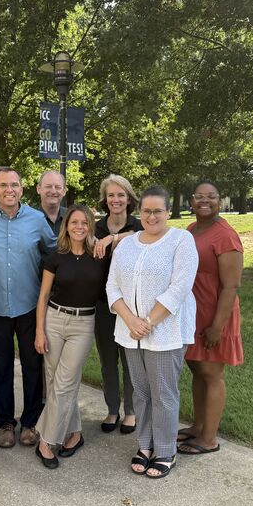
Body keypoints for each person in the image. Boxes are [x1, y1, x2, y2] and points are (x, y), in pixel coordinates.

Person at [106, 186, 198, 479]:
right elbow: (112, 287)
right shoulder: (127, 244)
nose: (152, 216)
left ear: (168, 211)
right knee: (141, 393)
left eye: (158, 210)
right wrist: (131, 320)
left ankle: (166, 450)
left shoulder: (181, 240)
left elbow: (180, 288)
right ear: (139, 212)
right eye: (146, 211)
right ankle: (145, 445)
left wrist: (148, 321)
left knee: (163, 394)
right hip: (130, 332)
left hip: (165, 332)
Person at [0, 167, 57, 449]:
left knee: (32, 365)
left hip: (29, 306)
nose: (10, 190)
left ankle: (30, 421)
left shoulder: (36, 219)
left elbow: (55, 249)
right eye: (3, 185)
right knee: (2, 367)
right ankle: (6, 423)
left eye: (15, 185)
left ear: (22, 189)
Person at [33, 205, 106, 469]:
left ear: (90, 226)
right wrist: (39, 331)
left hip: (83, 324)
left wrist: (111, 238)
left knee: (63, 384)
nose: (78, 227)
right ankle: (74, 434)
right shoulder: (55, 257)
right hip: (54, 320)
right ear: (66, 226)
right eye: (74, 222)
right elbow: (43, 296)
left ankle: (45, 440)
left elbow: (135, 233)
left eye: (84, 223)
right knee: (56, 383)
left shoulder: (99, 255)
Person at [178, 182, 244, 455]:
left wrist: (217, 326)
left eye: (211, 197)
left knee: (212, 373)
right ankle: (199, 426)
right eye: (200, 197)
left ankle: (209, 439)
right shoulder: (192, 230)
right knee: (197, 370)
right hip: (193, 312)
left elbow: (231, 286)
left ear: (220, 201)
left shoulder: (225, 236)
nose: (205, 201)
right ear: (192, 202)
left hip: (215, 313)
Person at [92, 174, 142, 435]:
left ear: (129, 198)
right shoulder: (95, 228)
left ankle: (131, 411)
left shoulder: (140, 226)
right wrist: (106, 238)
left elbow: (138, 237)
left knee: (130, 360)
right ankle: (112, 409)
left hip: (131, 306)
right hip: (102, 305)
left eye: (120, 195)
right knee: (108, 361)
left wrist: (113, 239)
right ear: (105, 199)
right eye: (111, 195)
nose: (115, 200)